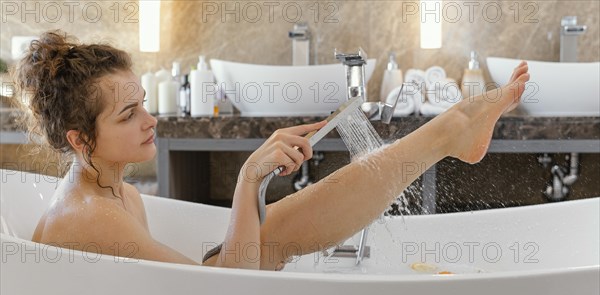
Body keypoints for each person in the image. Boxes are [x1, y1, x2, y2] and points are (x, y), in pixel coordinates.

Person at [15, 31, 530, 271]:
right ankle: (448, 133)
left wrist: (253, 187)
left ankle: (449, 133)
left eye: (144, 105)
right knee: (268, 238)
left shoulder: (117, 194)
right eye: (127, 116)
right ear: (80, 140)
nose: (151, 121)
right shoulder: (89, 218)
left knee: (275, 233)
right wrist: (248, 179)